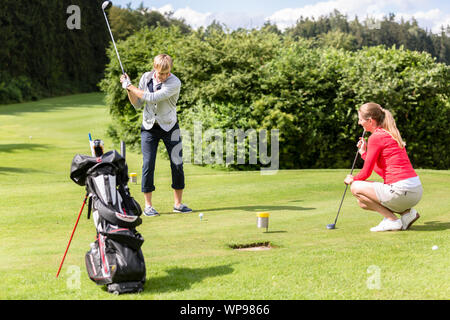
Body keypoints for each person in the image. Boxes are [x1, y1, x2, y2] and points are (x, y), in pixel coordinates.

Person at [120, 54, 192, 216]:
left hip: (169, 126)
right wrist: (128, 89)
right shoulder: (146, 77)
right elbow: (138, 104)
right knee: (148, 164)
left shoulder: (175, 82)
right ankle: (148, 206)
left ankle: (178, 204)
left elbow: (151, 97)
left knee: (177, 163)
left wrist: (130, 86)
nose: (164, 76)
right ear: (155, 69)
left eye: (167, 73)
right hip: (149, 127)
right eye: (161, 73)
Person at [344, 102, 423, 232]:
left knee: (356, 187)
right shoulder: (389, 134)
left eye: (360, 119)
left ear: (370, 121)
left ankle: (392, 220)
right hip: (415, 190)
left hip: (402, 190)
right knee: (362, 202)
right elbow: (383, 172)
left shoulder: (376, 137)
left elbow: (366, 173)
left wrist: (353, 179)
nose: (359, 123)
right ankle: (406, 214)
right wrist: (364, 153)